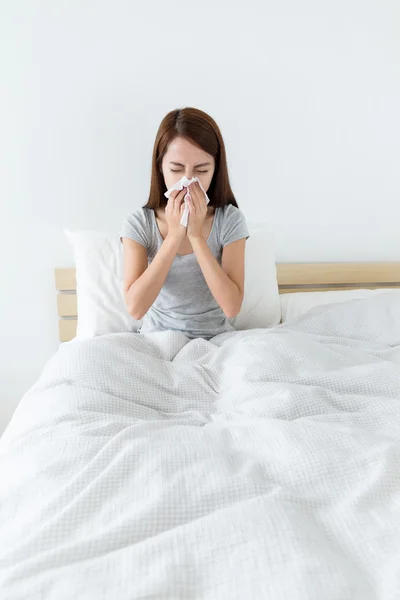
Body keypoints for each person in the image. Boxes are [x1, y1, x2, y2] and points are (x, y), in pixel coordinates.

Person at [120, 106, 250, 340]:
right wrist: (173, 236)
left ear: (215, 170)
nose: (188, 180)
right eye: (176, 169)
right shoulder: (139, 223)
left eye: (201, 170)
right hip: (157, 340)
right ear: (160, 167)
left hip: (216, 341)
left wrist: (196, 236)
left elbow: (232, 307)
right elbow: (136, 308)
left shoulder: (229, 220)